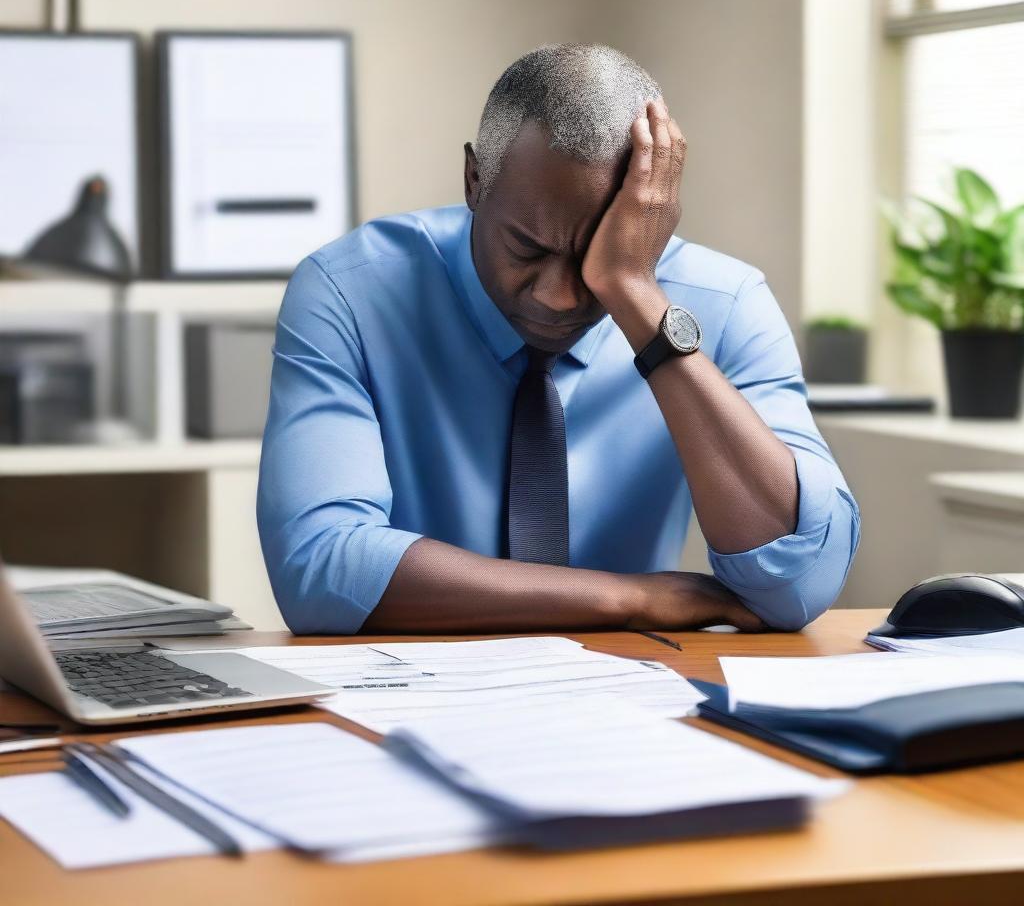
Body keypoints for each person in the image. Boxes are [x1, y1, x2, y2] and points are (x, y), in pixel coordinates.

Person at [257, 43, 860, 636]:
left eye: (599, 253)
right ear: (474, 180)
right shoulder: (350, 292)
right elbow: (321, 568)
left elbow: (797, 584)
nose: (560, 297)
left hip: (638, 699)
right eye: (527, 248)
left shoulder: (724, 303)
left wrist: (635, 295)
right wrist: (624, 597)